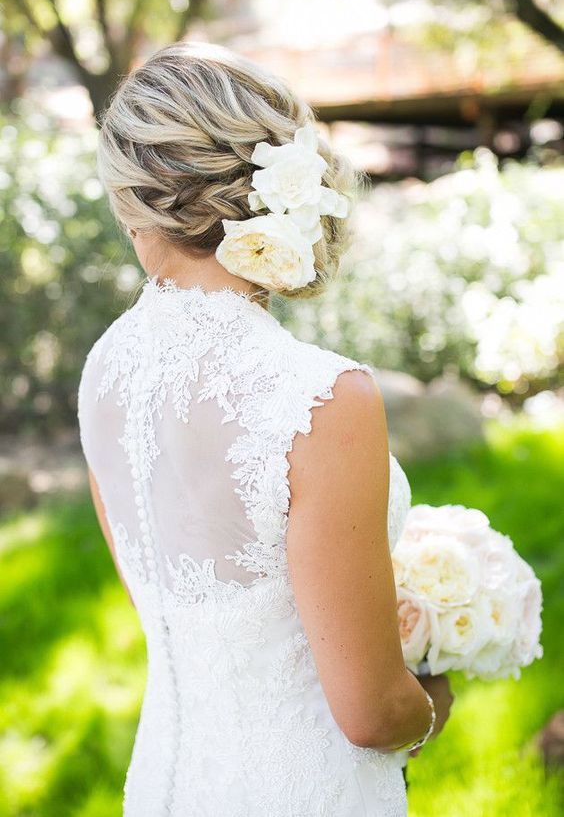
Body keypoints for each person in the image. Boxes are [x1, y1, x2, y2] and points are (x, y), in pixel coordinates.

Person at [77, 40, 453, 816]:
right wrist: (435, 695)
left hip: (162, 787)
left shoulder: (104, 372)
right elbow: (371, 714)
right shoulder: (320, 397)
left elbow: (170, 611)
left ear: (131, 197)